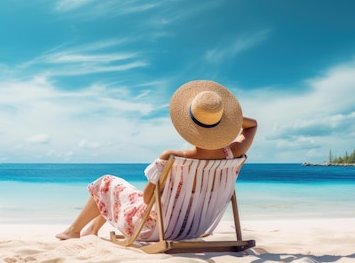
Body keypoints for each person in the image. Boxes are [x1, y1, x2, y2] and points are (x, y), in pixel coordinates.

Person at [56, 80, 258, 241]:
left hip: (156, 228)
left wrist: (210, 118)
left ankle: (74, 230)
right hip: (194, 227)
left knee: (108, 182)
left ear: (189, 125)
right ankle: (92, 230)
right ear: (223, 125)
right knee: (122, 194)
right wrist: (224, 119)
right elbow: (252, 125)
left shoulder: (173, 157)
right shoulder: (234, 153)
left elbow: (147, 200)